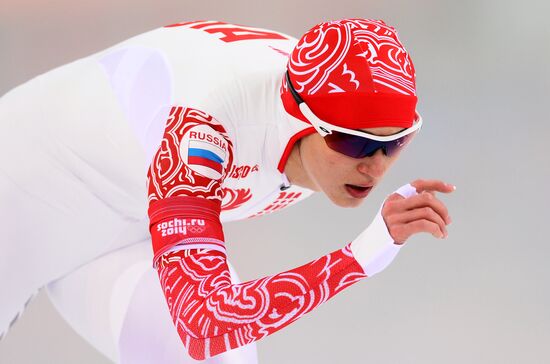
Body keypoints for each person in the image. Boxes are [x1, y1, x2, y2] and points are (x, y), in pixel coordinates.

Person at [0, 18, 454, 363]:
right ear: (299, 116)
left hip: (130, 226)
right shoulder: (202, 129)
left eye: (396, 141)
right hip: (21, 187)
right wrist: (362, 254)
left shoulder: (330, 81)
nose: (375, 165)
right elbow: (205, 323)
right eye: (352, 141)